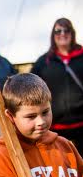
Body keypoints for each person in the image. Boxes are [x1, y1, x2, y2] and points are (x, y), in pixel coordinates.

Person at [31, 18, 83, 150]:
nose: (62, 34)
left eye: (67, 30)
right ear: (53, 35)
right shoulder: (44, 62)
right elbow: (30, 88)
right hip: (55, 128)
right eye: (58, 31)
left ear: (72, 33)